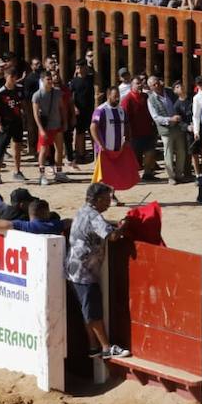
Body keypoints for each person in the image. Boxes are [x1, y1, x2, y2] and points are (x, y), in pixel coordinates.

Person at [67, 183, 131, 358]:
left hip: (74, 269)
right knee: (93, 311)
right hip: (85, 271)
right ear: (99, 199)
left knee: (87, 310)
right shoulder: (94, 217)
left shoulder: (82, 211)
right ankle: (105, 348)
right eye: (107, 199)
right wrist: (123, 226)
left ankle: (93, 346)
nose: (109, 203)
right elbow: (113, 236)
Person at [91, 85, 139, 197]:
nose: (117, 99)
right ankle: (99, 196)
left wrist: (127, 139)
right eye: (115, 96)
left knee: (114, 173)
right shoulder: (101, 110)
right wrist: (99, 144)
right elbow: (93, 127)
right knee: (103, 174)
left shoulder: (121, 110)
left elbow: (127, 125)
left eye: (118, 96)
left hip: (117, 148)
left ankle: (110, 195)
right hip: (104, 148)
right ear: (108, 96)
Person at [147, 75, 187, 185]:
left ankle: (179, 174)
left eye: (157, 82)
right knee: (168, 153)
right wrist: (170, 119)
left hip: (178, 126)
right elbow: (155, 117)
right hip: (166, 129)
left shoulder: (170, 91)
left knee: (181, 151)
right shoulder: (150, 100)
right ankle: (171, 176)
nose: (157, 85)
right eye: (153, 84)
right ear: (150, 87)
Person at [0, 67, 27, 182]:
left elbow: (23, 103)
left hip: (17, 122)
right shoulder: (0, 92)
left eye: (14, 77)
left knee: (17, 146)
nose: (13, 79)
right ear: (6, 77)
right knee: (1, 148)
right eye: (11, 77)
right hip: (5, 123)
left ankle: (17, 171)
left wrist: (23, 113)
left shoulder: (19, 89)